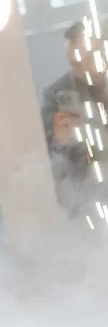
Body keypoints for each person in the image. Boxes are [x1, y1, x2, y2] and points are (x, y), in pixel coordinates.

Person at [43, 17, 107, 217]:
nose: (83, 69)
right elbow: (45, 161)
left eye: (89, 58)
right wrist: (59, 141)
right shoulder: (59, 95)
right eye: (75, 63)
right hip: (91, 190)